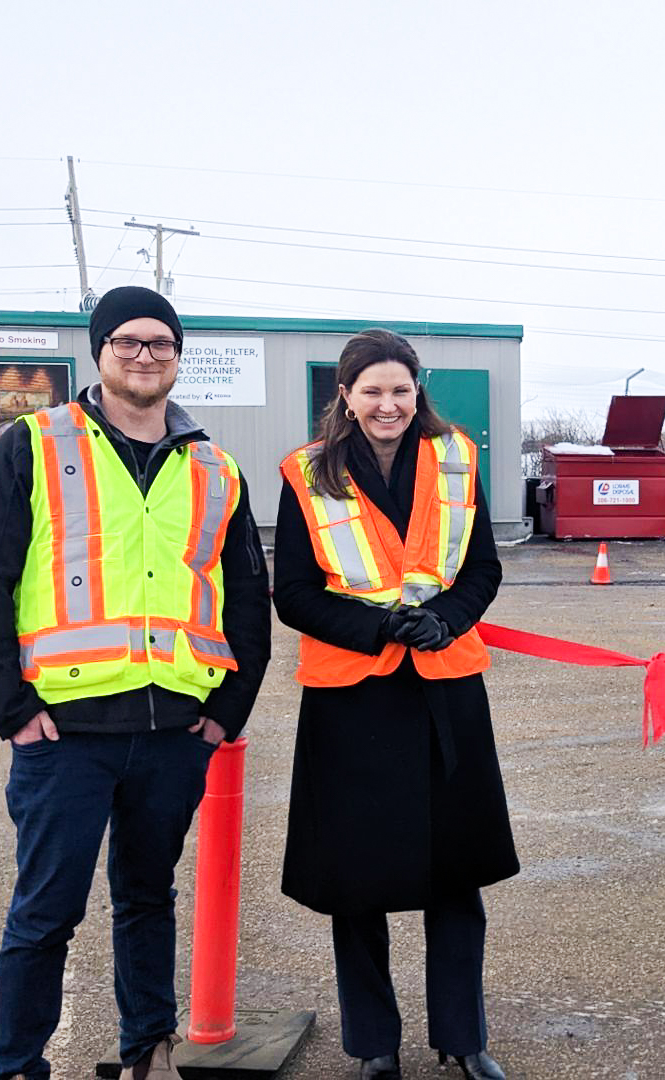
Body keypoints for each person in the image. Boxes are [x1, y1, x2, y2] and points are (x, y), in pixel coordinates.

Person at [0, 286, 272, 1080]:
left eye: (161, 343)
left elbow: (245, 597)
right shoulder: (31, 446)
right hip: (64, 733)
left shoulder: (214, 468)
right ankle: (17, 1066)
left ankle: (147, 1053)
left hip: (174, 734)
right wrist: (12, 711)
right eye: (127, 341)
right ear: (100, 352)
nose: (144, 355)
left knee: (148, 900)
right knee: (46, 912)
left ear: (177, 356)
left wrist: (225, 712)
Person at [273, 329, 517, 1080]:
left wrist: (446, 619)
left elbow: (482, 568)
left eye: (400, 390)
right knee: (357, 884)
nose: (388, 404)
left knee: (457, 877)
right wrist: (378, 627)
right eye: (373, 391)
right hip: (353, 702)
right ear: (346, 396)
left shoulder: (457, 459)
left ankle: (463, 1039)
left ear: (418, 392)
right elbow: (294, 594)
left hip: (446, 690)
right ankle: (374, 1045)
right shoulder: (308, 473)